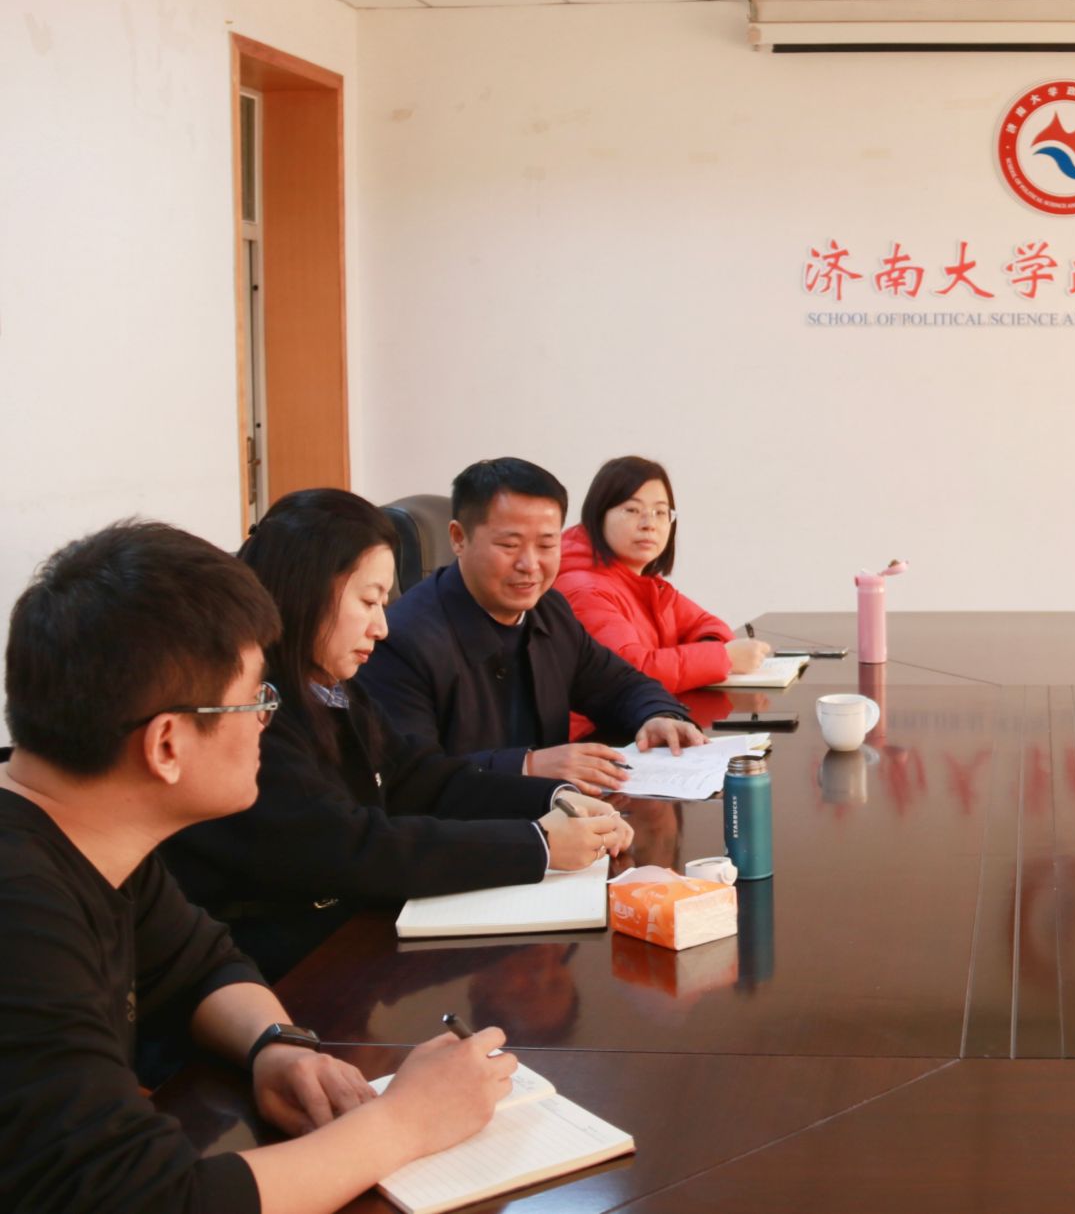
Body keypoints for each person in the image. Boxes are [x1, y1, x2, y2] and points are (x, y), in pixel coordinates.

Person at [0, 520, 516, 1213]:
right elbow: (145, 1200)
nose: (267, 723)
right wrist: (405, 1123)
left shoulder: (91, 832)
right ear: (166, 745)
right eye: (257, 700)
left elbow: (201, 964)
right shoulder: (21, 912)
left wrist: (278, 1047)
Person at [162, 490, 633, 983]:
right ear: (306, 592)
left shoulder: (329, 685)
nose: (382, 627)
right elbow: (350, 846)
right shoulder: (251, 709)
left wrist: (555, 798)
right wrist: (537, 844)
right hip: (277, 969)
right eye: (369, 602)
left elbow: (417, 776)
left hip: (346, 939)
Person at [359, 458, 704, 795]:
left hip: (557, 818)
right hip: (469, 828)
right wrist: (528, 766)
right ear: (458, 538)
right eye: (509, 545)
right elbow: (411, 779)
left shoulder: (549, 611)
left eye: (546, 544)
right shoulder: (400, 639)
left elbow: (619, 685)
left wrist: (658, 714)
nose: (530, 564)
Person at [556, 456, 772, 731]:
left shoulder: (644, 583)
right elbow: (628, 677)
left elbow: (708, 625)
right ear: (598, 515)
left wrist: (708, 651)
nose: (649, 523)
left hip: (637, 725)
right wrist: (723, 658)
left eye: (660, 512)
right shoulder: (584, 589)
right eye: (632, 510)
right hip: (594, 738)